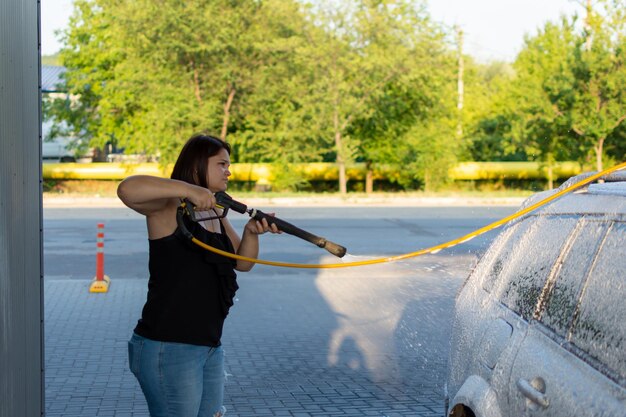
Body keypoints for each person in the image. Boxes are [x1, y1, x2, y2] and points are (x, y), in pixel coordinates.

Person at [117, 134, 280, 417]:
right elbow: (127, 189)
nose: (229, 171)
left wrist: (252, 233)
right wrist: (188, 190)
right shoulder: (169, 207)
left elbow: (241, 263)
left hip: (208, 347)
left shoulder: (216, 213)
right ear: (196, 166)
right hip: (169, 348)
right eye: (221, 164)